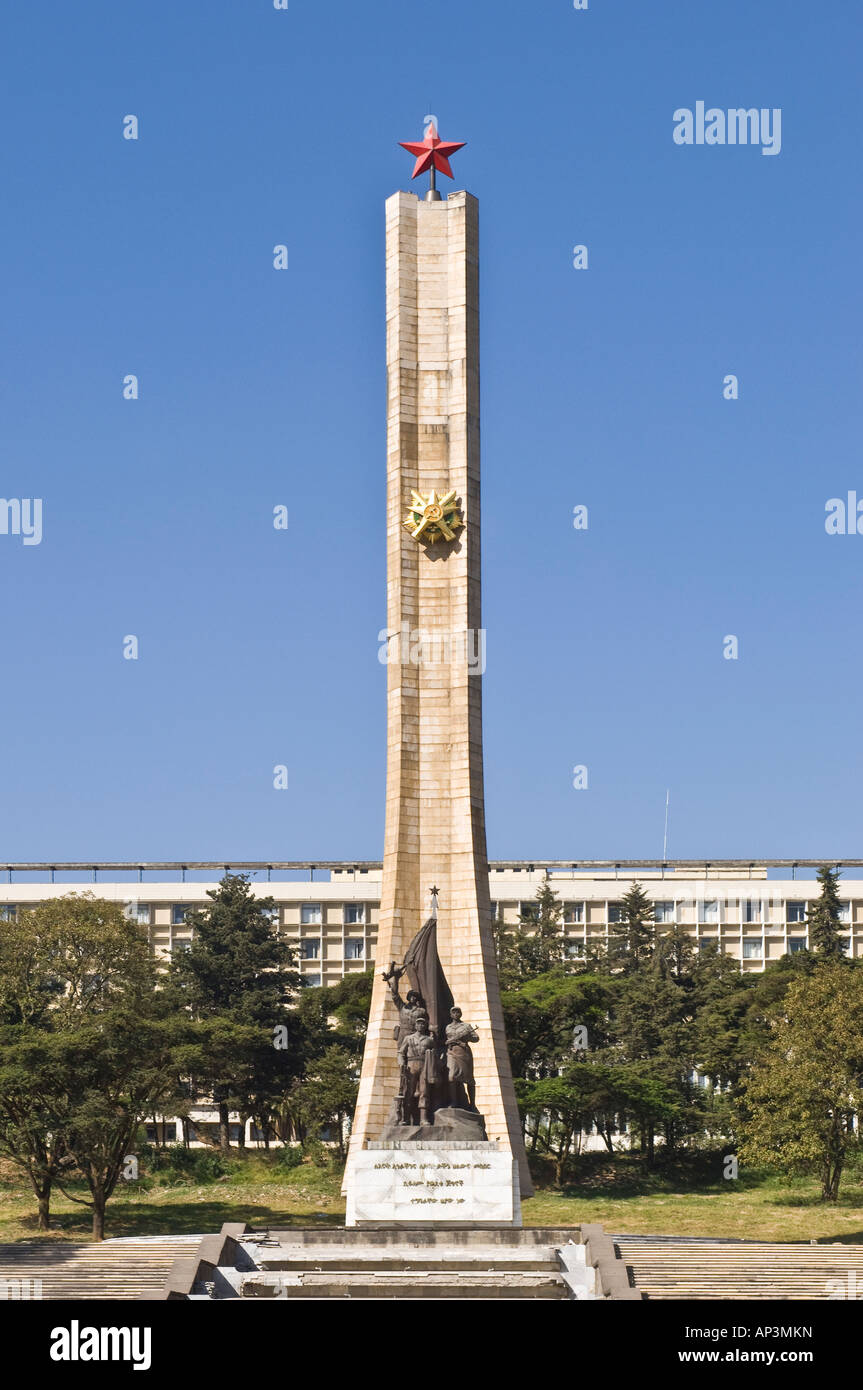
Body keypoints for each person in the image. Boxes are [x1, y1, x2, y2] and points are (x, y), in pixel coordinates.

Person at [397, 1012, 438, 1125]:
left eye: (423, 1024)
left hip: (424, 1066)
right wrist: (401, 1064)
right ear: (415, 1026)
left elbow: (436, 1054)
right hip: (411, 1065)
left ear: (425, 1026)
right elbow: (401, 1053)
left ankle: (423, 1119)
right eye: (418, 1024)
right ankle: (405, 1118)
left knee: (424, 1092)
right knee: (408, 1092)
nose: (420, 1026)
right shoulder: (408, 1038)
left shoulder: (429, 1040)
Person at [445, 1006, 478, 1110]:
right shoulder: (448, 1027)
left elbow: (476, 1038)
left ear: (460, 1014)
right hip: (451, 1052)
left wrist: (464, 1039)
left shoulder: (466, 1026)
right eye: (453, 1012)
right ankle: (454, 1101)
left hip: (463, 1052)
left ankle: (472, 1104)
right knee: (451, 1077)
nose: (456, 1014)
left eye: (457, 1012)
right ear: (451, 1015)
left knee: (469, 1079)